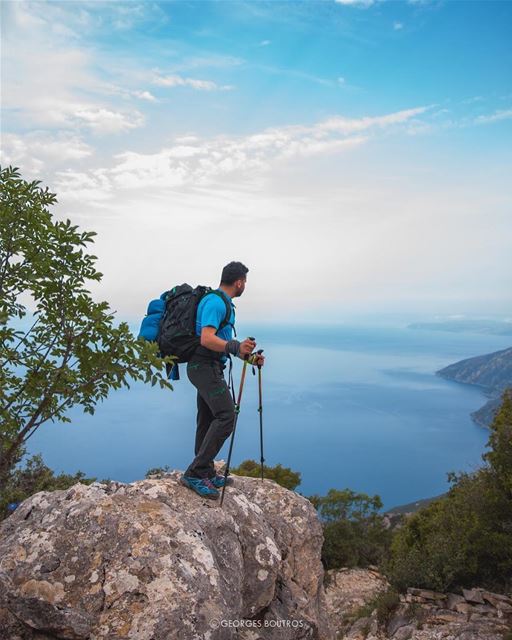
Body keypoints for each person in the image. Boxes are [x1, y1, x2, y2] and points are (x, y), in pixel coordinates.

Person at [180, 261, 265, 500]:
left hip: (209, 367)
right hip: (203, 366)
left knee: (207, 418)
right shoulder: (216, 303)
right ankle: (195, 473)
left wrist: (249, 358)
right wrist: (235, 346)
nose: (245, 285)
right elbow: (207, 339)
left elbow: (225, 344)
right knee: (227, 416)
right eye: (245, 282)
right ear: (239, 282)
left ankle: (204, 470)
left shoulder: (222, 304)